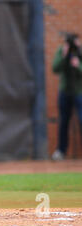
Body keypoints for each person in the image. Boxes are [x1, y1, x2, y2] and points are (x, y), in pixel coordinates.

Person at [51, 33, 82, 161]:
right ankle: (61, 150)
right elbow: (55, 68)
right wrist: (64, 56)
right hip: (64, 91)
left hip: (79, 91)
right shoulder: (61, 51)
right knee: (63, 121)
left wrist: (78, 64)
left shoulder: (80, 52)